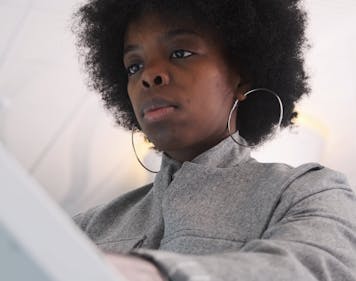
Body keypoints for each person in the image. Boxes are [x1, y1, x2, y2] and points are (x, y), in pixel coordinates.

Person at [72, 1, 356, 280]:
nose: (148, 75)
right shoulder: (86, 227)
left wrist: (150, 273)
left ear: (242, 78)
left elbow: (318, 267)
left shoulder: (308, 191)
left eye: (180, 53)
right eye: (133, 66)